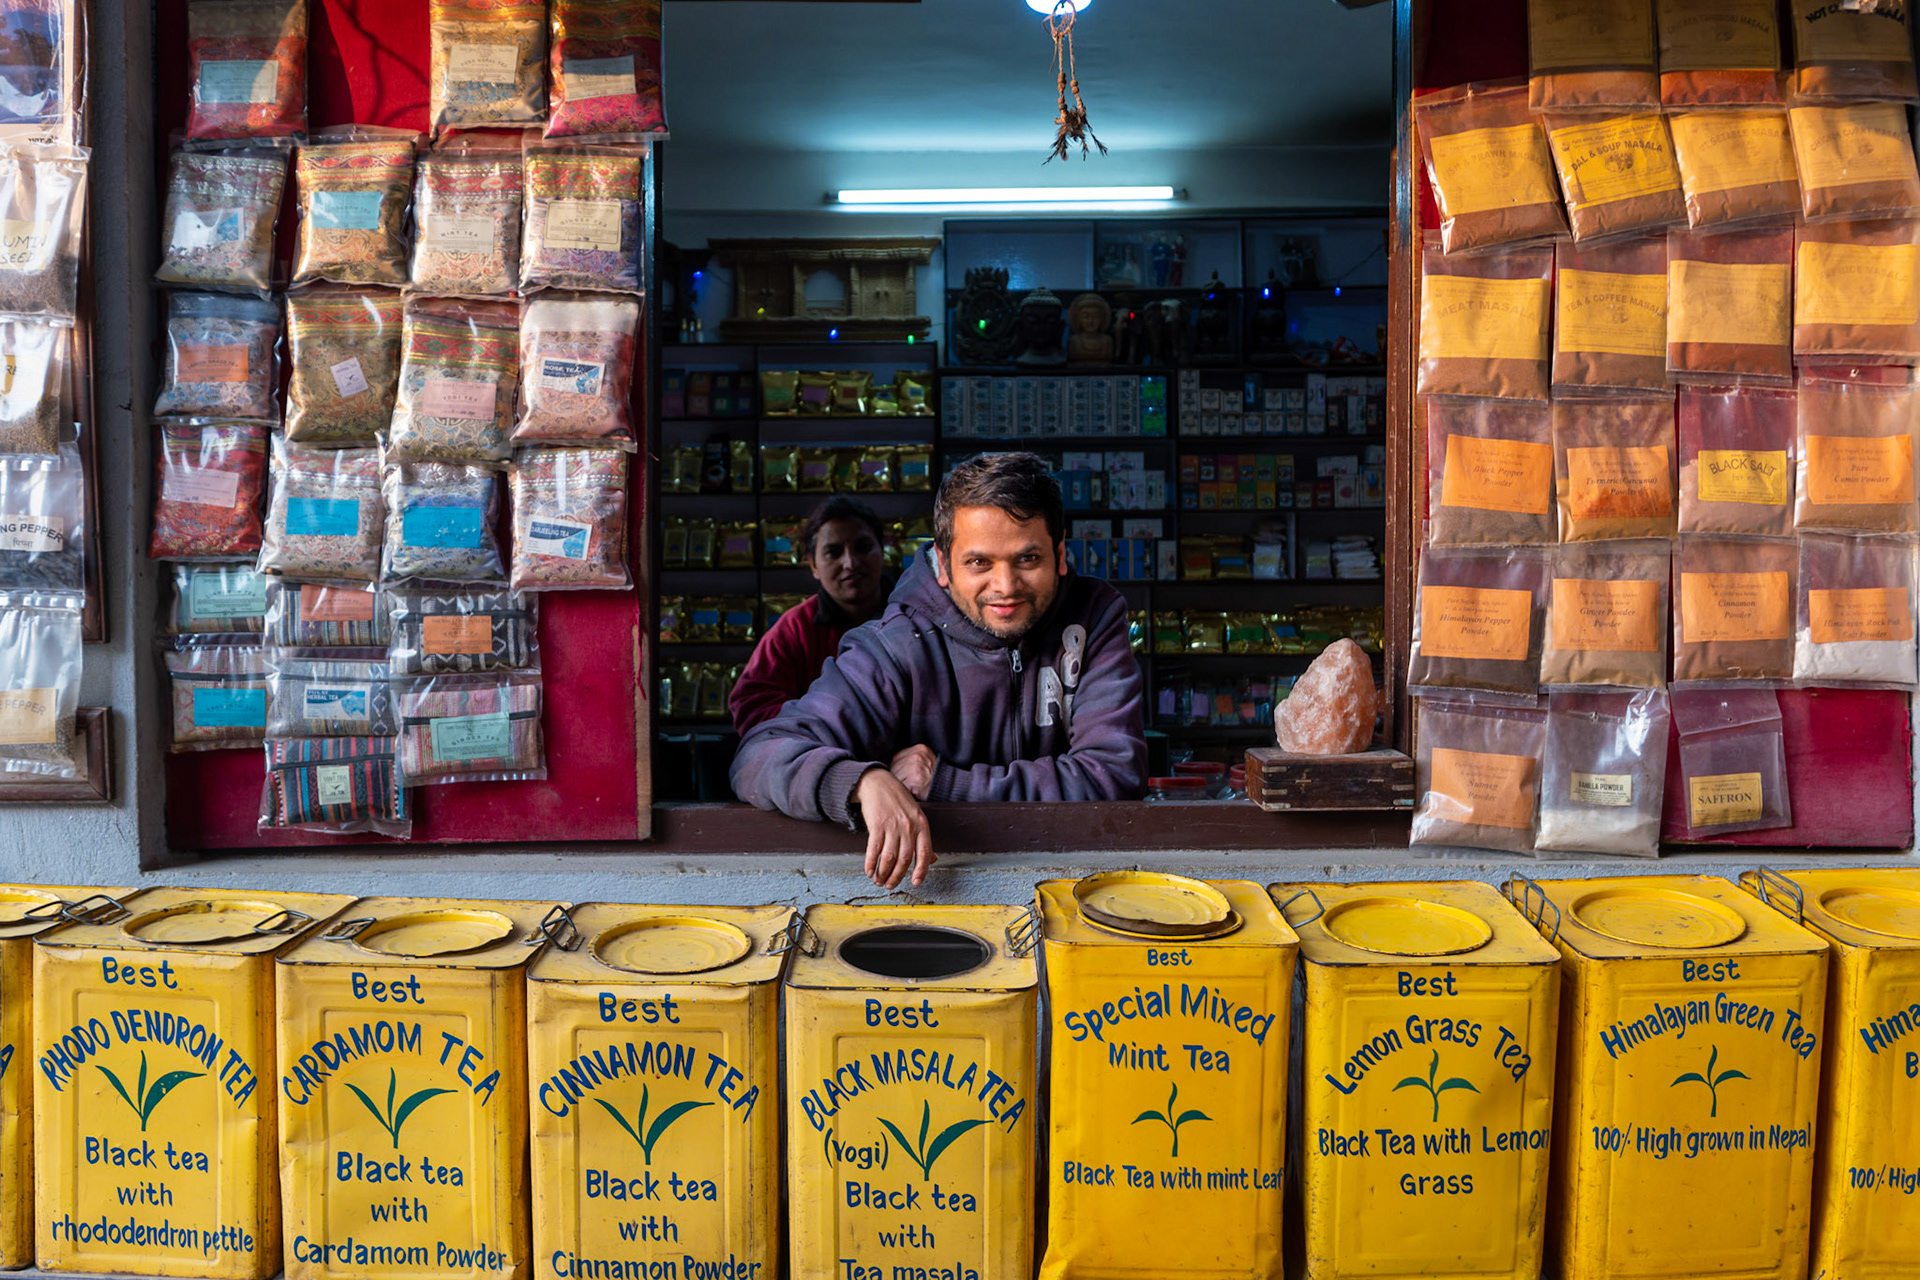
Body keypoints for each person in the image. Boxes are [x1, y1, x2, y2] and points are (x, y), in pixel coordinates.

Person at [730, 451, 1147, 889]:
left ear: (1059, 555)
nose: (1005, 587)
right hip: (938, 888)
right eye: (979, 563)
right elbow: (759, 755)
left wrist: (946, 783)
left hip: (1077, 883)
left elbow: (1113, 777)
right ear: (945, 566)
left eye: (1027, 560)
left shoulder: (1094, 616)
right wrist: (860, 781)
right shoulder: (894, 645)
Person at [728, 497, 889, 734]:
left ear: (882, 552)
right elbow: (750, 704)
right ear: (813, 565)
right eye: (833, 552)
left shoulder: (915, 616)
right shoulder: (794, 630)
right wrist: (821, 727)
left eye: (863, 548)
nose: (850, 563)